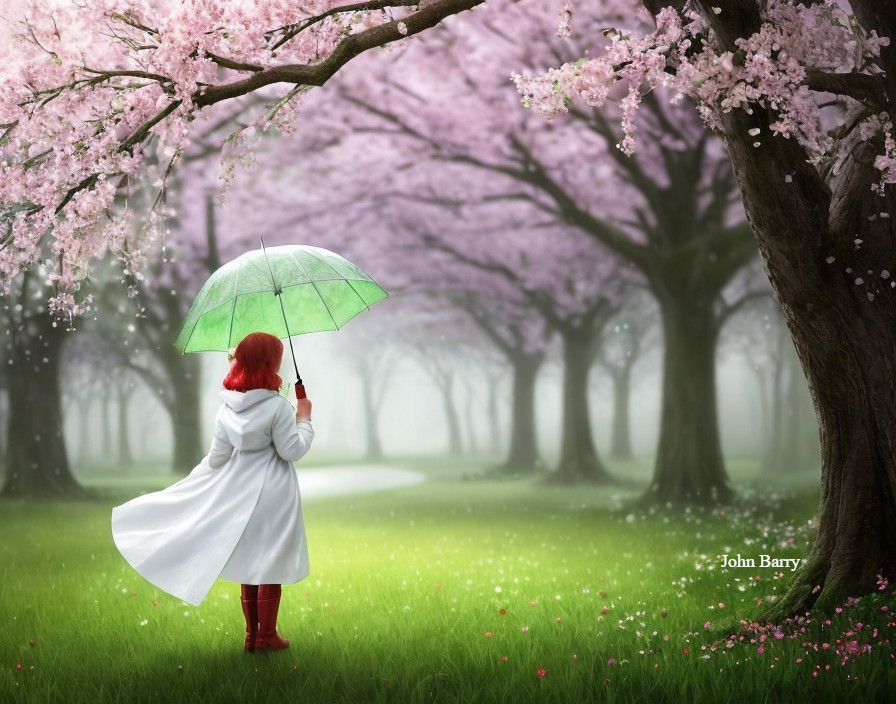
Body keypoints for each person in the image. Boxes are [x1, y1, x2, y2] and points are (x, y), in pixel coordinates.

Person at [111, 332, 314, 653]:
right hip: (274, 493)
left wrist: (191, 486)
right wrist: (303, 418)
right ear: (268, 362)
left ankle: (251, 635)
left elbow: (217, 458)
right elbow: (291, 450)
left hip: (240, 495)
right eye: (277, 357)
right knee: (270, 561)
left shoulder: (227, 408)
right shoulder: (276, 407)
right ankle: (267, 635)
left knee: (251, 561)